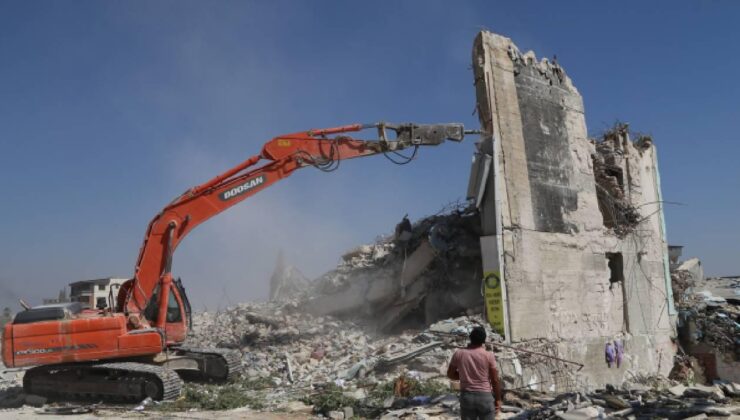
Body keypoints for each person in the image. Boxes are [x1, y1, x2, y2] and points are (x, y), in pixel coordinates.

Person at [447, 326, 503, 420]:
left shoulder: (459, 353)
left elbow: (450, 374)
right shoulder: (488, 355)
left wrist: (465, 377)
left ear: (470, 338)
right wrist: (498, 399)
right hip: (485, 397)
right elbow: (495, 380)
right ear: (483, 341)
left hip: (467, 397)